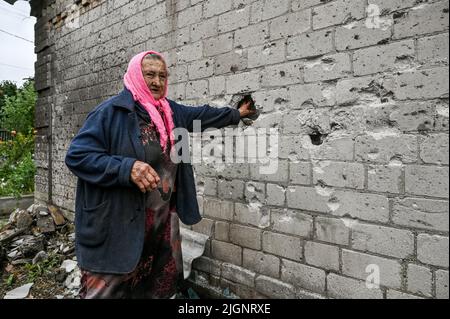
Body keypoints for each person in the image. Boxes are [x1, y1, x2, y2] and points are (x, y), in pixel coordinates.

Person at [65, 51, 255, 299]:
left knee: (153, 290)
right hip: (119, 227)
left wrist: (237, 114)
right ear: (135, 75)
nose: (156, 81)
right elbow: (77, 156)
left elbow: (203, 115)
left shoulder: (171, 112)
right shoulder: (111, 113)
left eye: (162, 76)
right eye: (149, 74)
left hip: (159, 228)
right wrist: (126, 168)